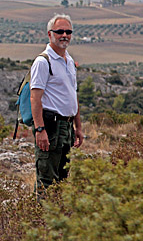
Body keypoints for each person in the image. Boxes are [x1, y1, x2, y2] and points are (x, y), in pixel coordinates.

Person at [30, 13, 84, 195]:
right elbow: (35, 98)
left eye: (68, 31)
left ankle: (59, 220)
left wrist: (78, 127)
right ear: (49, 34)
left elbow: (72, 94)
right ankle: (42, 222)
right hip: (50, 127)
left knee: (62, 180)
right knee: (47, 181)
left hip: (67, 127)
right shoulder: (43, 62)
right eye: (60, 31)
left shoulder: (69, 61)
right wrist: (39, 130)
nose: (64, 35)